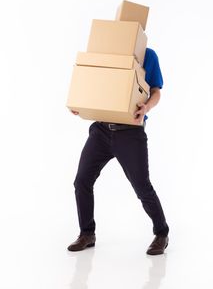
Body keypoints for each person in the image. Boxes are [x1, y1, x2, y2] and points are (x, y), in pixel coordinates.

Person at [67, 48, 169, 255]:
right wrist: (81, 103)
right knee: (82, 181)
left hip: (130, 132)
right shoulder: (108, 50)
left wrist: (146, 107)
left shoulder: (148, 55)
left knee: (142, 187)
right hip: (101, 130)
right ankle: (87, 233)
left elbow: (156, 91)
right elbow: (93, 84)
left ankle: (161, 234)